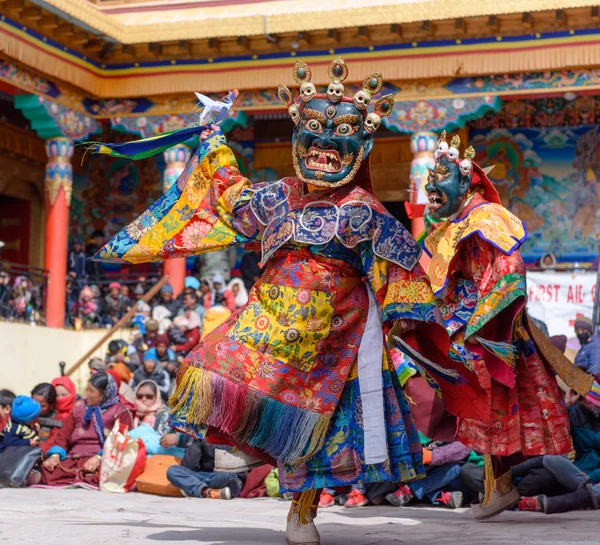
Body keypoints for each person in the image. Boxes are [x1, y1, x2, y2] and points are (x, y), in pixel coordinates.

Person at [92, 57, 453, 545]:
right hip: (269, 320)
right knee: (206, 365)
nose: (326, 143)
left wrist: (407, 320)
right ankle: (242, 439)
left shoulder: (364, 213)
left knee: (320, 431)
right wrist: (214, 137)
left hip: (334, 336)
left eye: (342, 131)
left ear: (363, 143)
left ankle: (301, 513)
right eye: (314, 129)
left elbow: (405, 269)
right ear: (296, 136)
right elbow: (229, 197)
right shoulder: (280, 197)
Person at [401, 131, 583, 520]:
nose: (431, 188)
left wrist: (484, 324)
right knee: (478, 410)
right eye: (428, 181)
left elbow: (510, 273)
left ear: (466, 181)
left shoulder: (488, 218)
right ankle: (498, 486)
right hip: (464, 324)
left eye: (439, 180)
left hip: (492, 330)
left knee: (491, 407)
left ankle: (506, 485)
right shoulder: (452, 226)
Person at [41, 372, 133, 487]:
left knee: (108, 473)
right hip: (74, 460)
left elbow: (122, 441)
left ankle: (85, 478)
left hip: (102, 460)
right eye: (87, 389)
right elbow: (63, 436)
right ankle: (80, 478)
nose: (87, 394)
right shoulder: (79, 408)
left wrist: (99, 458)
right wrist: (55, 456)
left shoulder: (120, 411)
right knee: (48, 470)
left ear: (104, 394)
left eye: (92, 391)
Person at [167, 439, 245, 499]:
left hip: (225, 476)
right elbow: (189, 467)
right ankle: (206, 491)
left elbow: (242, 472)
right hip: (203, 476)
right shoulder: (202, 436)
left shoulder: (236, 436)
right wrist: (196, 442)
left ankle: (193, 488)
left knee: (222, 474)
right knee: (172, 471)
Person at [133, 380, 187, 450]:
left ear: (156, 397)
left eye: (149, 396)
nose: (144, 399)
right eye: (140, 396)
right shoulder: (131, 413)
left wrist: (178, 439)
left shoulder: (164, 415)